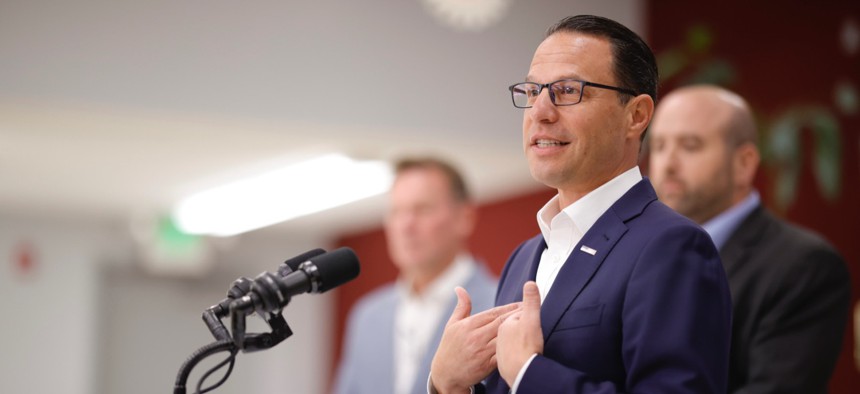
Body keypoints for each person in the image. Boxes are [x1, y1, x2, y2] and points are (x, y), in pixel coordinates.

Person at [428, 15, 732, 394]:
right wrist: (447, 382)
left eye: (568, 90)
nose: (540, 111)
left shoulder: (672, 246)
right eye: (533, 91)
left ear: (635, 116)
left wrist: (528, 373)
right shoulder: (523, 258)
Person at [648, 84, 851, 394]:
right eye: (659, 146)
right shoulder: (637, 251)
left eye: (690, 145)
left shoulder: (806, 266)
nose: (667, 164)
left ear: (744, 163)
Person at [333, 157, 497, 394]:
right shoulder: (367, 316)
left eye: (423, 209)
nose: (405, 225)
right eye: (397, 211)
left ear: (465, 218)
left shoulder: (502, 304)